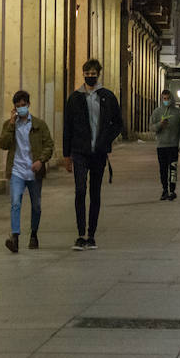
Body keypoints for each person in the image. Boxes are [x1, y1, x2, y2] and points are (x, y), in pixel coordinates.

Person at [63, 58, 123, 251]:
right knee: (80, 190)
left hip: (98, 152)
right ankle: (80, 234)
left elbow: (118, 122)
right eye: (87, 74)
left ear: (99, 74)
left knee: (95, 193)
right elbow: (67, 127)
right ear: (83, 75)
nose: (90, 77)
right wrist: (66, 155)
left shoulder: (107, 96)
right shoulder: (74, 98)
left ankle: (92, 234)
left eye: (93, 73)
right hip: (79, 151)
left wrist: (106, 140)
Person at [0, 89, 53, 253]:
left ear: (28, 105)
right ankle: (15, 237)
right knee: (15, 203)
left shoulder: (39, 125)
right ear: (14, 108)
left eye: (24, 105)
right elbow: (3, 144)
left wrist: (41, 161)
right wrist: (11, 126)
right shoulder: (9, 125)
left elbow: (49, 145)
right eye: (18, 106)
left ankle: (34, 235)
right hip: (17, 170)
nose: (21, 108)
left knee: (36, 205)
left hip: (34, 171)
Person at [153, 89, 180, 200]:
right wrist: (160, 124)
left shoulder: (178, 113)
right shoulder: (157, 112)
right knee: (162, 169)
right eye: (164, 98)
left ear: (172, 99)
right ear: (161, 99)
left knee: (173, 169)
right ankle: (164, 190)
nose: (166, 101)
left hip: (173, 145)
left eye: (168, 98)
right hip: (161, 145)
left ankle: (172, 190)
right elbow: (152, 127)